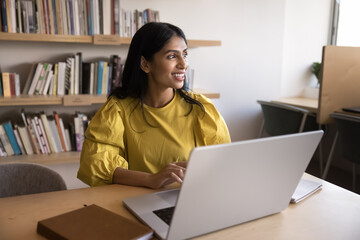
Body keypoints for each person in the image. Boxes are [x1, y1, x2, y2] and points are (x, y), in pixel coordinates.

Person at [77, 22, 231, 189]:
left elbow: (223, 164)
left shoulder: (201, 109)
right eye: (172, 56)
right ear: (145, 64)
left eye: (184, 55)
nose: (183, 64)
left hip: (191, 201)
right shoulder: (118, 109)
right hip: (136, 203)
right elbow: (95, 163)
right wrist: (151, 179)